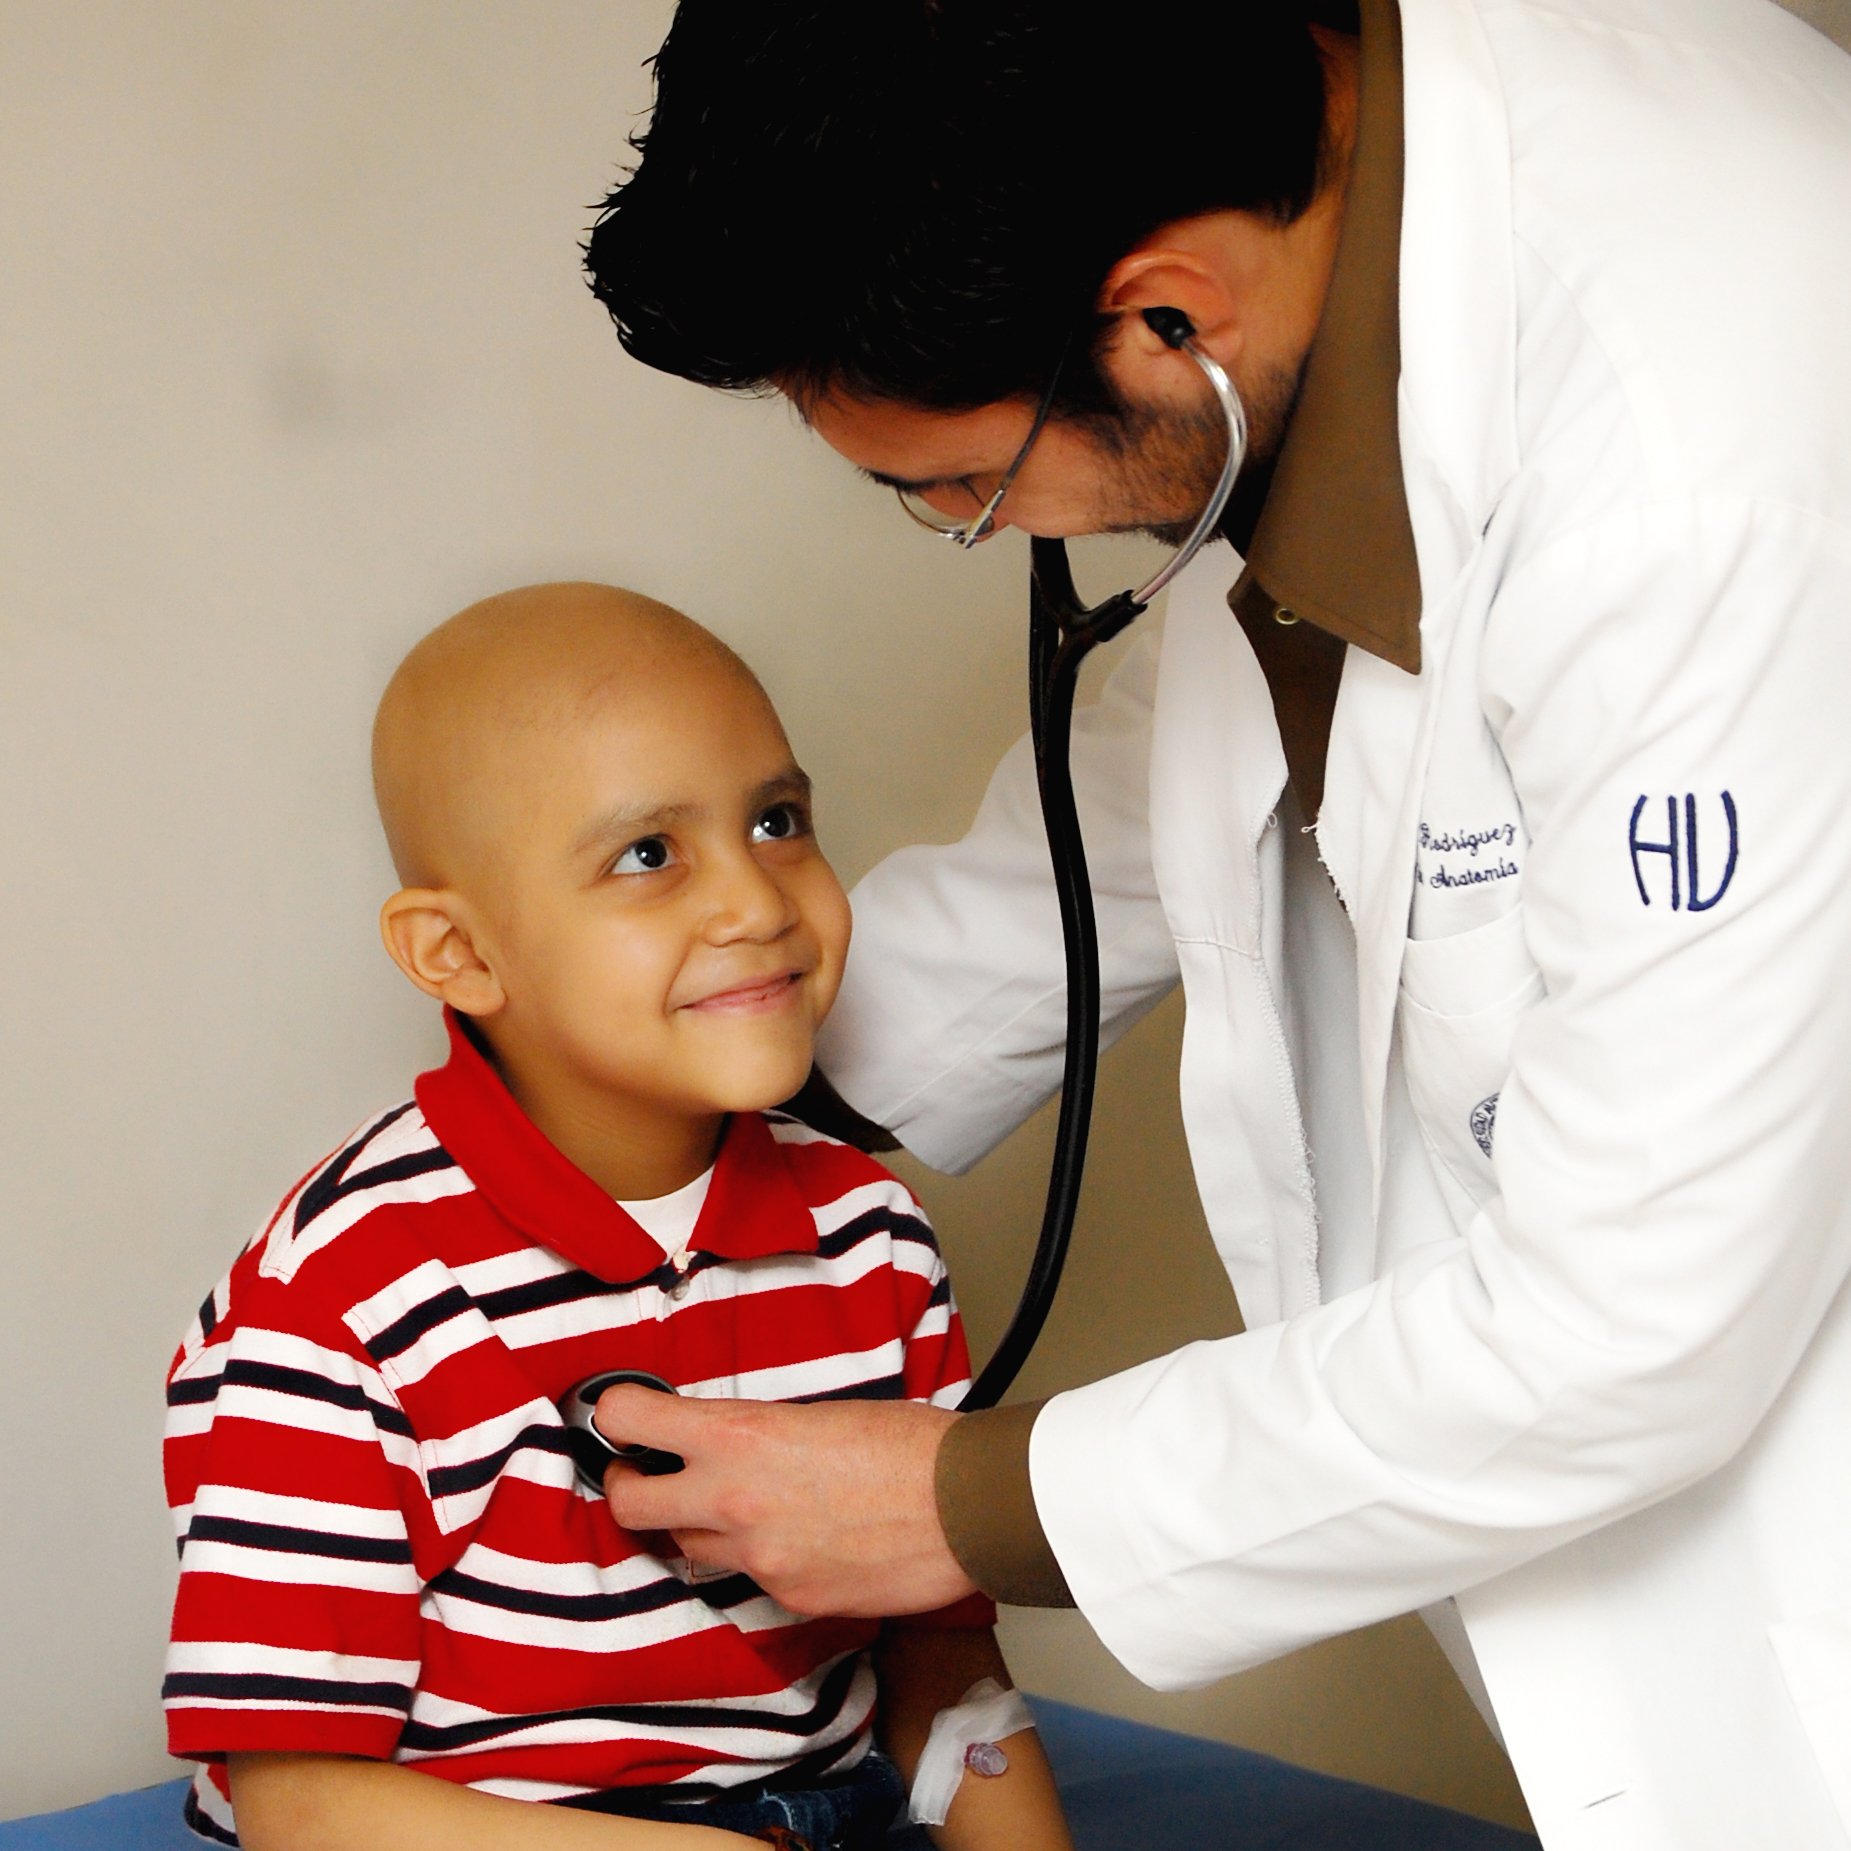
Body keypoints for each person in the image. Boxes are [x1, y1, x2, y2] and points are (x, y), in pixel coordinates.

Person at [577, 2, 1851, 1845]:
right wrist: (638, 1075)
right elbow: (1168, 780)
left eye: (958, 487)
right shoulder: (1320, 184)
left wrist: (963, 1504)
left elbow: (1640, 1312)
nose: (971, 529)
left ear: (1172, 316)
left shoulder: (1698, 462)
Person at [160, 584, 1074, 1851]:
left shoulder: (873, 1236)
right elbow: (301, 1803)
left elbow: (944, 1673)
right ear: (459, 956)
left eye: (779, 820)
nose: (757, 901)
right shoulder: (337, 1301)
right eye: (648, 854)